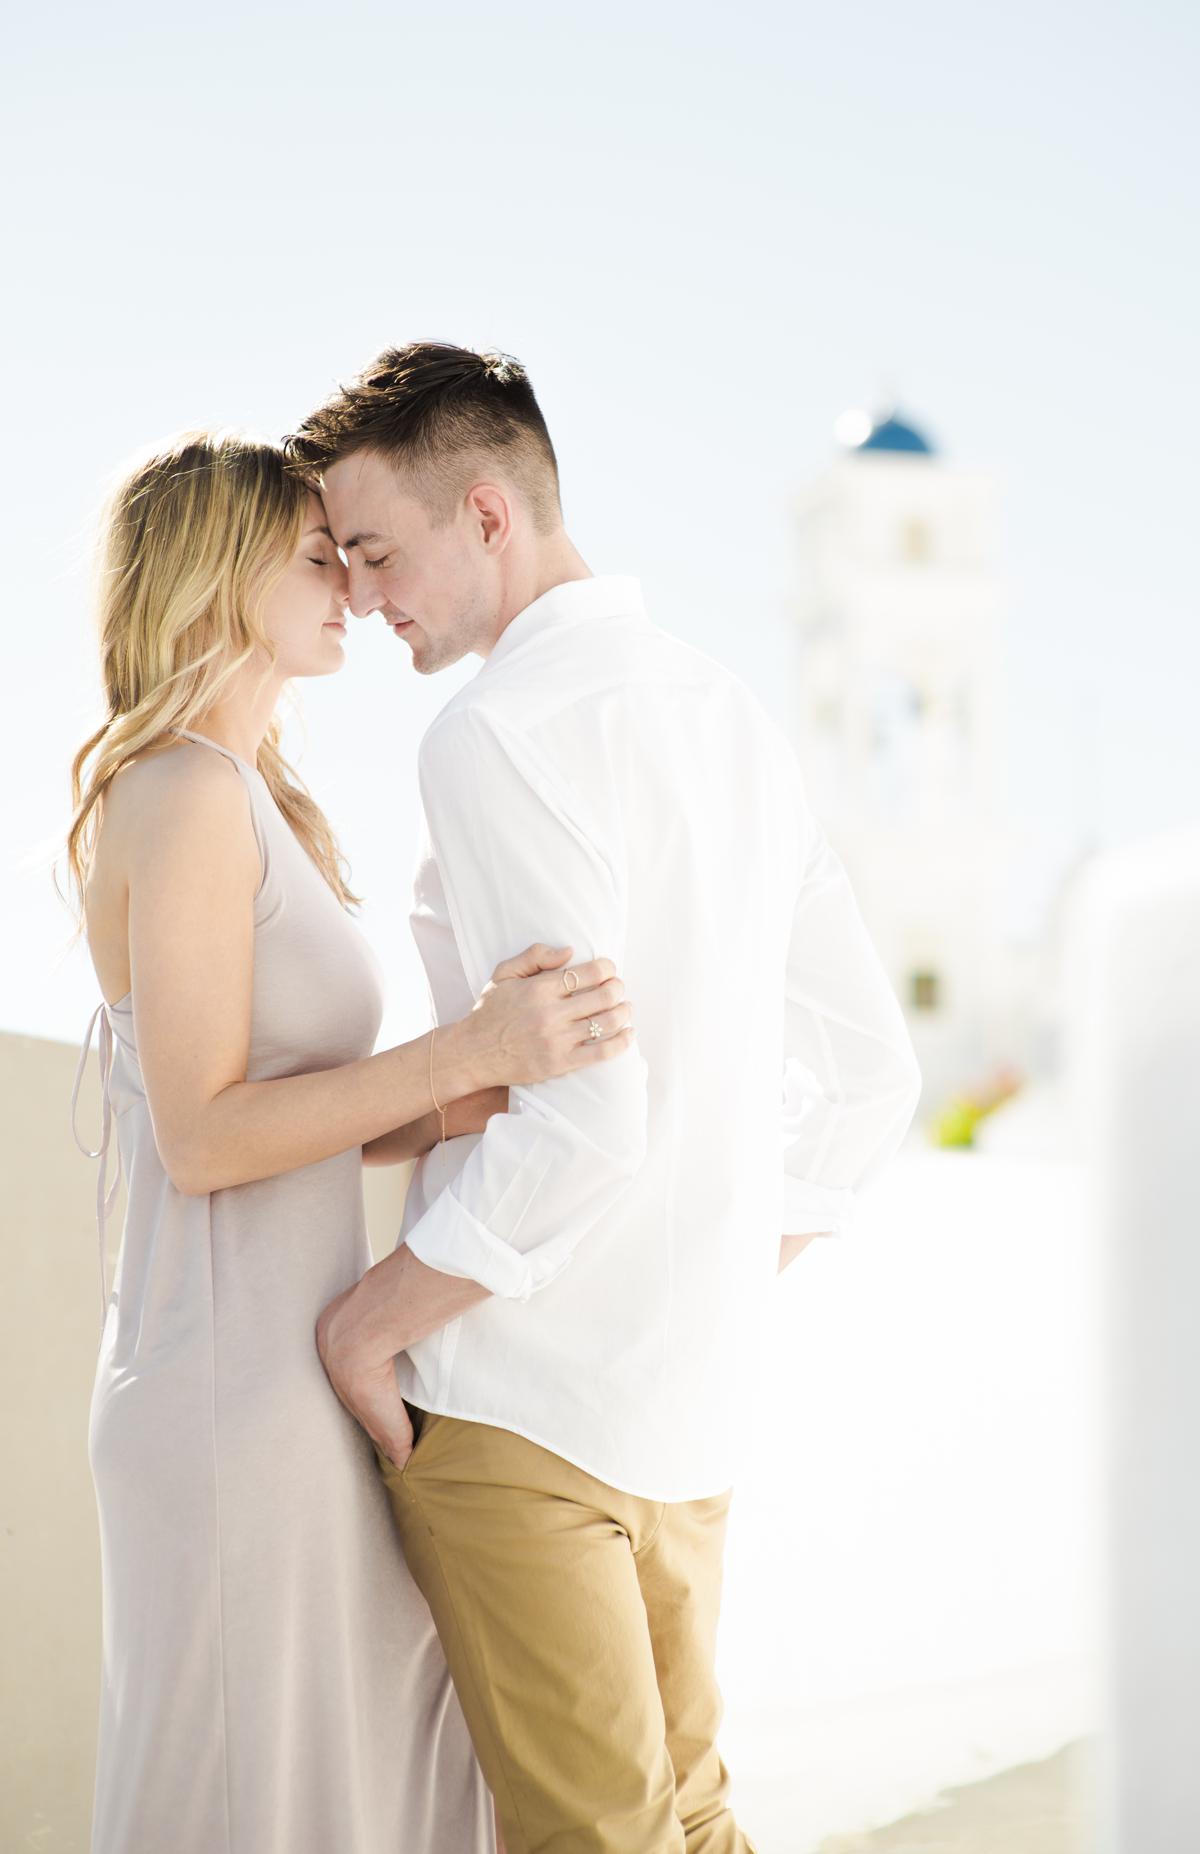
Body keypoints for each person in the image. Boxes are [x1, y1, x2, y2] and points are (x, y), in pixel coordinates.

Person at [286, 343, 924, 1854]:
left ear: (488, 512)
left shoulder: (497, 729)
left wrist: (370, 1317)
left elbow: (582, 1106)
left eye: (379, 551)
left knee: (604, 1841)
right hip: (684, 1405)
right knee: (690, 1822)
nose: (367, 598)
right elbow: (868, 1073)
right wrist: (711, 1262)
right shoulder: (732, 718)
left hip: (523, 1403)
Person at [66, 428, 633, 1854]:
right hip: (224, 1384)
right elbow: (203, 1137)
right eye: (313, 555)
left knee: (366, 1771)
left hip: (282, 1372)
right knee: (264, 1790)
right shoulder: (185, 792)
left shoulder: (254, 800)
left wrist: (482, 1095)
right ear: (216, 569)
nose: (349, 583)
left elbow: (297, 1116)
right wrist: (469, 1054)